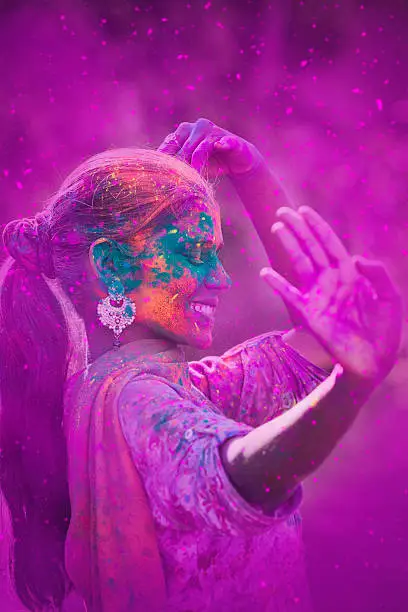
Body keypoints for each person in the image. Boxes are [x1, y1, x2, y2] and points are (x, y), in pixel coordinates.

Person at [0, 118, 402, 612]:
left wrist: (249, 173)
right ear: (110, 266)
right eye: (194, 254)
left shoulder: (156, 389)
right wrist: (351, 388)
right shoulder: (137, 401)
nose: (222, 278)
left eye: (215, 253)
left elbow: (328, 334)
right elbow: (243, 474)